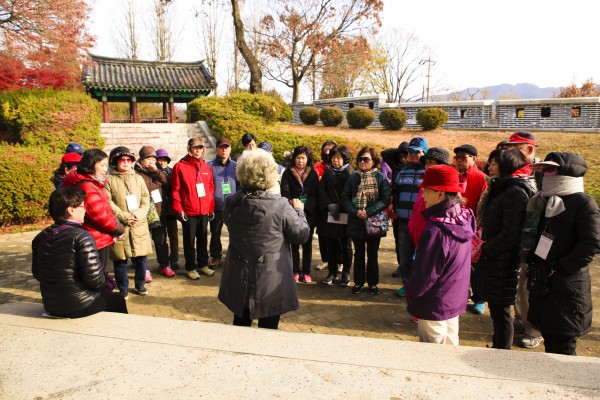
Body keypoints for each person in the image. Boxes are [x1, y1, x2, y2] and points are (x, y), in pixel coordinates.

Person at [218, 149, 310, 329]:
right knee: (268, 328)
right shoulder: (280, 205)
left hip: (239, 274)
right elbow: (301, 235)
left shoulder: (232, 201)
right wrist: (300, 211)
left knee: (240, 324)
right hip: (270, 277)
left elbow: (229, 222)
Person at [526, 153, 600, 355]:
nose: (545, 174)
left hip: (568, 285)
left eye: (551, 169)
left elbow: (592, 242)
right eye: (544, 170)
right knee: (549, 338)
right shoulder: (546, 200)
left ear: (568, 172)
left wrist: (561, 267)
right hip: (545, 282)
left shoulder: (583, 203)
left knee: (564, 347)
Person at [32, 186, 128, 318]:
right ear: (70, 210)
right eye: (82, 207)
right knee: (118, 300)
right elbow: (96, 281)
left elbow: (37, 274)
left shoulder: (41, 237)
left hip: (51, 304)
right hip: (79, 305)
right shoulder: (82, 237)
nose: (85, 210)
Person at [475, 148, 537, 350]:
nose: (489, 167)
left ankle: (502, 352)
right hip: (495, 256)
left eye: (494, 163)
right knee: (496, 309)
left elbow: (512, 233)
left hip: (504, 259)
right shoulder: (501, 187)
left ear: (506, 165)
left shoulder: (514, 191)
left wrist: (487, 249)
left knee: (501, 311)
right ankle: (498, 347)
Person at [405, 165, 474, 345]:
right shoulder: (465, 216)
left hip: (433, 302)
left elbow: (425, 274)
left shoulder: (436, 231)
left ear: (440, 194)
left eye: (426, 190)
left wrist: (412, 292)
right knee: (450, 342)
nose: (422, 196)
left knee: (433, 350)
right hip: (453, 296)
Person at [499, 131, 544, 348]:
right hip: (515, 238)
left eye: (515, 148)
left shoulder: (543, 172)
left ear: (529, 149)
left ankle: (534, 330)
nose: (510, 152)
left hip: (534, 241)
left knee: (529, 287)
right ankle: (520, 318)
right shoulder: (515, 170)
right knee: (517, 284)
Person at [62, 148, 125, 269]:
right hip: (95, 237)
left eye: (106, 166)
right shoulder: (87, 185)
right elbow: (99, 216)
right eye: (102, 165)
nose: (105, 169)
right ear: (91, 164)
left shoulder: (91, 181)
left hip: (94, 235)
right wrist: (118, 228)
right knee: (97, 272)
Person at [341, 147, 391, 295]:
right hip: (356, 221)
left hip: (374, 221)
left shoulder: (380, 178)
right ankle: (358, 282)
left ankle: (373, 283)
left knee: (373, 254)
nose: (362, 162)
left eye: (366, 159)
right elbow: (345, 197)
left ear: (374, 161)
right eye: (360, 159)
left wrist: (368, 212)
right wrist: (355, 211)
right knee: (359, 253)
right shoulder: (353, 178)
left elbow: (385, 199)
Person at [105, 146, 153, 298]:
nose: (126, 162)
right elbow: (108, 202)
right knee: (120, 259)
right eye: (122, 159)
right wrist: (124, 216)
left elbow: (146, 199)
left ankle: (140, 284)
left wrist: (138, 214)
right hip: (120, 224)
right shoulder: (109, 180)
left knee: (141, 258)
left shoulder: (138, 178)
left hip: (139, 223)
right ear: (115, 162)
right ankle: (123, 287)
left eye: (128, 159)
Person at [171, 137, 216, 280]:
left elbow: (210, 188)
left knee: (203, 238)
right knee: (189, 241)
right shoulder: (180, 166)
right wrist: (179, 209)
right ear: (189, 149)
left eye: (200, 148)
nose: (198, 151)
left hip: (204, 210)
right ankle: (190, 267)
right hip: (189, 210)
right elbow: (175, 190)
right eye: (195, 148)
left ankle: (203, 264)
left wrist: (210, 207)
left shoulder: (205, 166)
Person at [453, 144, 488, 315]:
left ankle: (479, 299)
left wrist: (478, 228)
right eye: (457, 157)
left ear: (474, 158)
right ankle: (462, 294)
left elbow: (483, 207)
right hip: (455, 227)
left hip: (474, 229)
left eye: (463, 157)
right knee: (458, 264)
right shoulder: (453, 176)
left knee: (476, 268)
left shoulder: (482, 179)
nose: (459, 160)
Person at [392, 137, 428, 296]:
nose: (413, 154)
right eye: (410, 151)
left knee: (422, 256)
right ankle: (406, 284)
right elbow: (396, 191)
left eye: (417, 152)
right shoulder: (403, 171)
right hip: (403, 221)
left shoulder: (428, 171)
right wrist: (394, 208)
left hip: (422, 222)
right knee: (405, 255)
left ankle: (420, 286)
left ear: (425, 153)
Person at [135, 146, 175, 278]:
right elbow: (148, 188)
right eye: (148, 159)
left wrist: (157, 172)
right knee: (143, 242)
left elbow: (166, 181)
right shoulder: (136, 173)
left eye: (153, 159)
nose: (151, 162)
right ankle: (144, 269)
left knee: (161, 240)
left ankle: (164, 265)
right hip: (143, 213)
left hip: (159, 211)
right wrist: (159, 183)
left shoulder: (157, 171)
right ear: (141, 160)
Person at [280, 145, 319, 283]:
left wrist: (305, 207)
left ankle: (306, 271)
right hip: (292, 214)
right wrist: (294, 205)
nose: (300, 161)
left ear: (308, 159)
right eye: (298, 158)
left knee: (307, 244)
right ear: (294, 158)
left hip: (309, 214)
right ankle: (295, 271)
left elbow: (315, 194)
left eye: (303, 158)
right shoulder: (287, 173)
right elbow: (285, 192)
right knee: (294, 244)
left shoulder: (312, 173)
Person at [318, 145, 354, 286]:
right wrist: (329, 204)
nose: (335, 160)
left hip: (345, 212)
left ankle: (345, 273)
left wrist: (339, 205)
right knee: (330, 244)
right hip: (331, 212)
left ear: (345, 158)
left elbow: (352, 194)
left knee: (346, 245)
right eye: (333, 157)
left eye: (339, 157)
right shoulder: (328, 172)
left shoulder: (351, 173)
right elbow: (321, 190)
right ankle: (332, 273)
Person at [208, 138, 238, 268]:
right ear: (217, 149)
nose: (224, 150)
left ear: (230, 149)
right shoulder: (209, 166)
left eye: (226, 147)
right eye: (221, 147)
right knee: (215, 233)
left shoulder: (236, 166)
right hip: (216, 206)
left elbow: (240, 185)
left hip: (233, 207)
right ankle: (216, 256)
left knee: (235, 233)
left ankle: (234, 257)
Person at [381, 141, 409, 277]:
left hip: (411, 210)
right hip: (398, 209)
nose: (403, 159)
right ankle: (401, 265)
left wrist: (410, 152)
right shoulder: (396, 166)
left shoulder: (416, 167)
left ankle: (411, 266)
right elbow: (385, 153)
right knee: (399, 240)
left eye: (405, 156)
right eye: (401, 156)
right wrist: (399, 151)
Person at [313, 140, 337, 272]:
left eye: (330, 150)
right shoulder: (318, 166)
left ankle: (339, 262)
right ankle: (325, 259)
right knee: (322, 234)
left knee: (337, 235)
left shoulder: (339, 167)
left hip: (336, 206)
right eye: (325, 149)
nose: (327, 152)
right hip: (321, 206)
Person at [156, 148, 180, 270]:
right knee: (161, 237)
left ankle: (174, 259)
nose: (162, 162)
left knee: (173, 236)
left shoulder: (172, 172)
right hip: (158, 209)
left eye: (164, 160)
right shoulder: (152, 174)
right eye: (159, 159)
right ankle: (163, 261)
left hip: (171, 209)